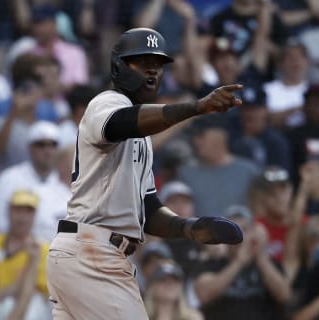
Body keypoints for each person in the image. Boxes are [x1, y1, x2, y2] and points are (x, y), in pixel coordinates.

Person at [46, 28, 244, 320]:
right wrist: (197, 107)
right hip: (93, 254)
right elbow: (119, 124)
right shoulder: (108, 102)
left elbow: (148, 209)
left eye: (158, 63)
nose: (152, 69)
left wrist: (189, 228)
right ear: (118, 66)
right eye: (141, 61)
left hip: (91, 254)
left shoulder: (143, 138)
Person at [194, 207, 291, 320]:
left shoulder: (269, 263)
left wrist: (261, 258)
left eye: (244, 229)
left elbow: (284, 295)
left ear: (254, 232)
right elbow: (203, 295)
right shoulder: (212, 263)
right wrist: (239, 261)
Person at [0, 190, 50, 320]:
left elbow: (33, 290)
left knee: (29, 306)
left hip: (21, 309)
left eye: (28, 211)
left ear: (35, 215)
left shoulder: (42, 249)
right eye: (18, 210)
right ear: (8, 211)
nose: (22, 217)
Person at [178, 114, 257, 217]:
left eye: (201, 135)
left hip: (240, 232)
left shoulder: (249, 172)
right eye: (194, 136)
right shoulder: (185, 173)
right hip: (198, 232)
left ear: (221, 135)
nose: (196, 141)